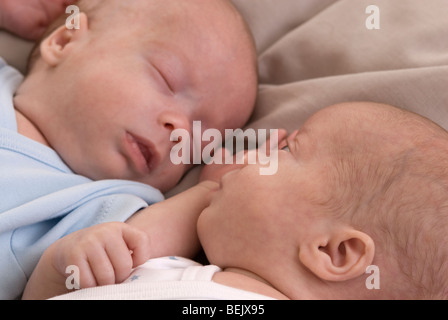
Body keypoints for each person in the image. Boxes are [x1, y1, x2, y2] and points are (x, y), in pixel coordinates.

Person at [23, 102, 448, 300]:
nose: (251, 154)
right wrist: (64, 263)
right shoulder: (166, 267)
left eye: (287, 150)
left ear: (332, 252)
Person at [0, 0, 258, 299]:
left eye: (200, 144)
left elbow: (139, 241)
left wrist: (213, 191)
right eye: (167, 79)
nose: (181, 132)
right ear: (64, 41)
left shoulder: (98, 208)